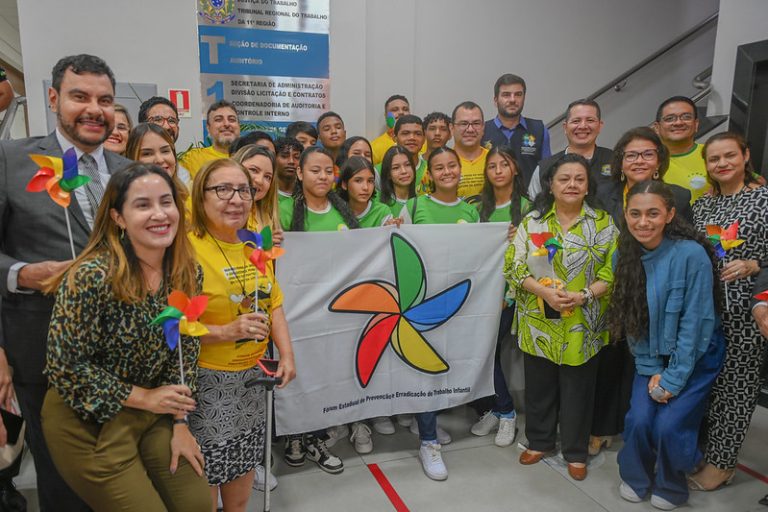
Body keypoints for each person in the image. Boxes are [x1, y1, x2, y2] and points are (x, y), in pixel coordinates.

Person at [0, 53, 130, 511]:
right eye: (80, 96)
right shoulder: (11, 160)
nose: (94, 109)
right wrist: (20, 274)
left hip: (122, 355)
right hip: (42, 351)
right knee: (63, 482)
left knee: (117, 473)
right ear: (54, 99)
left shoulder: (127, 171)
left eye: (105, 100)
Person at [41, 163, 211, 511]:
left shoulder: (187, 271)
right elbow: (65, 367)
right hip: (85, 418)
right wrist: (144, 398)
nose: (160, 214)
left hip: (153, 413)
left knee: (197, 503)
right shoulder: (91, 276)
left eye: (167, 202)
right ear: (118, 217)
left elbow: (185, 351)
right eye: (143, 205)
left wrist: (180, 423)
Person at [187, 158, 295, 508]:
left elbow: (274, 301)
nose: (236, 198)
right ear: (200, 197)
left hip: (252, 381)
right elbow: (171, 326)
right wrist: (225, 331)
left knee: (241, 482)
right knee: (204, 488)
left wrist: (288, 354)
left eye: (244, 190)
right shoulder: (186, 250)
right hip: (206, 386)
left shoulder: (254, 245)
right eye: (222, 189)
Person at [504, 153, 617, 482]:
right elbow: (514, 265)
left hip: (584, 320)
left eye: (578, 179)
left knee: (579, 389)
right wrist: (545, 292)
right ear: (550, 185)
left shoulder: (602, 223)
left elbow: (614, 270)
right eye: (563, 178)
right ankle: (539, 441)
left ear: (587, 185)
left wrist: (584, 295)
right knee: (539, 386)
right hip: (538, 318)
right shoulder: (533, 222)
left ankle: (576, 451)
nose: (571, 184)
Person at [613, 180, 725, 511]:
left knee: (670, 425)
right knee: (639, 421)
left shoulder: (691, 255)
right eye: (635, 214)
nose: (643, 222)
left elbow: (697, 325)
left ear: (670, 214)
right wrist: (652, 370)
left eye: (652, 213)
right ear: (626, 214)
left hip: (695, 357)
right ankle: (635, 477)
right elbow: (632, 320)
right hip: (650, 358)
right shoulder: (625, 253)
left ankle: (672, 486)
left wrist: (673, 378)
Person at [689, 132, 768, 491]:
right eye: (714, 159)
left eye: (729, 156)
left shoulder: (764, 199)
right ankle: (707, 451)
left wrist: (754, 263)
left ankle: (722, 465)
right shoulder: (703, 206)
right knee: (707, 383)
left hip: (748, 308)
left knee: (736, 386)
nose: (721, 164)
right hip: (706, 306)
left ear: (745, 155)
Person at [399, 147, 478, 481]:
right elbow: (396, 250)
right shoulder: (415, 206)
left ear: (460, 170)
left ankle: (426, 422)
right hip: (423, 304)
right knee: (425, 370)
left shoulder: (472, 212)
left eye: (452, 166)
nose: (447, 172)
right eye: (439, 168)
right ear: (428, 174)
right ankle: (428, 442)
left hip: (459, 303)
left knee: (447, 366)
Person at [280, 147, 358, 473]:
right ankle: (294, 435)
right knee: (300, 375)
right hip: (298, 314)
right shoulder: (284, 210)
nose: (323, 176)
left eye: (328, 171)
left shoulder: (343, 211)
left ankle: (315, 437)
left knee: (327, 375)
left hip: (337, 314)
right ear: (299, 173)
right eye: (315, 170)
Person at [471, 146, 530, 446]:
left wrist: (521, 235)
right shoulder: (478, 206)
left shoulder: (528, 207)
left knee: (489, 352)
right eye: (491, 166)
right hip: (481, 292)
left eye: (503, 165)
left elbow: (542, 250)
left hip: (512, 294)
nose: (497, 170)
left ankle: (506, 413)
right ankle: (496, 409)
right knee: (482, 352)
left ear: (515, 169)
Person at [603, 127, 693, 225]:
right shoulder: (602, 196)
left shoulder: (679, 197)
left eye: (648, 154)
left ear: (659, 162)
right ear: (621, 163)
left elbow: (687, 237)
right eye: (631, 155)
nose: (639, 161)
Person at [528, 99, 613, 199]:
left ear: (599, 126)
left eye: (590, 120)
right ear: (565, 127)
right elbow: (533, 208)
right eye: (576, 121)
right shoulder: (545, 168)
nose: (583, 126)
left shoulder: (616, 161)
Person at [481, 74, 551, 188]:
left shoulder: (539, 129)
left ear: (524, 98)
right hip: (494, 202)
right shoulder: (482, 131)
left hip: (530, 202)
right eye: (506, 95)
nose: (512, 100)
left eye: (518, 94)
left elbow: (547, 170)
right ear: (495, 100)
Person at [653, 96, 708, 203]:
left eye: (686, 117)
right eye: (669, 119)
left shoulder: (712, 154)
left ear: (696, 124)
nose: (678, 123)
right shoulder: (645, 160)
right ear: (657, 127)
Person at [137, 96, 193, 186]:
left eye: (171, 121)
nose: (167, 126)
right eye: (158, 120)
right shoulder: (124, 174)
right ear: (142, 127)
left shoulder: (183, 176)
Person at [179, 100, 241, 178]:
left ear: (239, 126)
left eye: (232, 120)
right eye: (218, 120)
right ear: (208, 128)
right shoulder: (193, 158)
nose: (226, 124)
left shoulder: (251, 155)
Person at [125, 123, 189, 198]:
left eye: (165, 151)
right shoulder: (124, 202)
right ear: (131, 159)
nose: (159, 160)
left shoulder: (189, 198)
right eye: (147, 154)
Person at [232, 144, 282, 237]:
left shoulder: (267, 219)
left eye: (267, 177)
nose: (260, 180)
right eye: (254, 170)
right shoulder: (216, 212)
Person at [339, 156, 393, 229]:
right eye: (358, 181)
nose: (365, 187)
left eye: (370, 181)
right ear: (344, 184)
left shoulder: (382, 212)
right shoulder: (336, 212)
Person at [451, 102, 488, 203]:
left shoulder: (495, 161)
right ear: (452, 128)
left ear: (483, 127)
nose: (470, 129)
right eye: (463, 124)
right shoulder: (440, 162)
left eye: (476, 123)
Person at [371, 94, 412, 165]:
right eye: (395, 110)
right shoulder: (374, 147)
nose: (401, 112)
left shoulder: (421, 142)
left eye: (405, 109)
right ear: (386, 116)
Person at [379, 145, 416, 217]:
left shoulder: (422, 200)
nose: (404, 171)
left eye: (407, 165)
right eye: (396, 168)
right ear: (388, 174)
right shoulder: (378, 202)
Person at [274, 137, 304, 206]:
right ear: (274, 158)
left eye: (296, 157)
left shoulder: (307, 194)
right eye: (284, 156)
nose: (291, 161)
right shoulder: (265, 192)